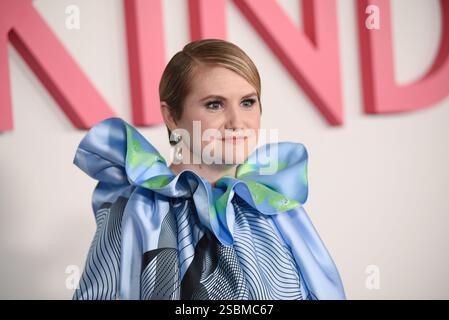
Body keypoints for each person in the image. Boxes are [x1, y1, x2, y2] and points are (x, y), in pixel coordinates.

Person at [72, 39, 346, 300]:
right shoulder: (136, 211)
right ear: (171, 115)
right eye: (214, 104)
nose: (237, 122)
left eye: (248, 102)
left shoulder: (274, 205)